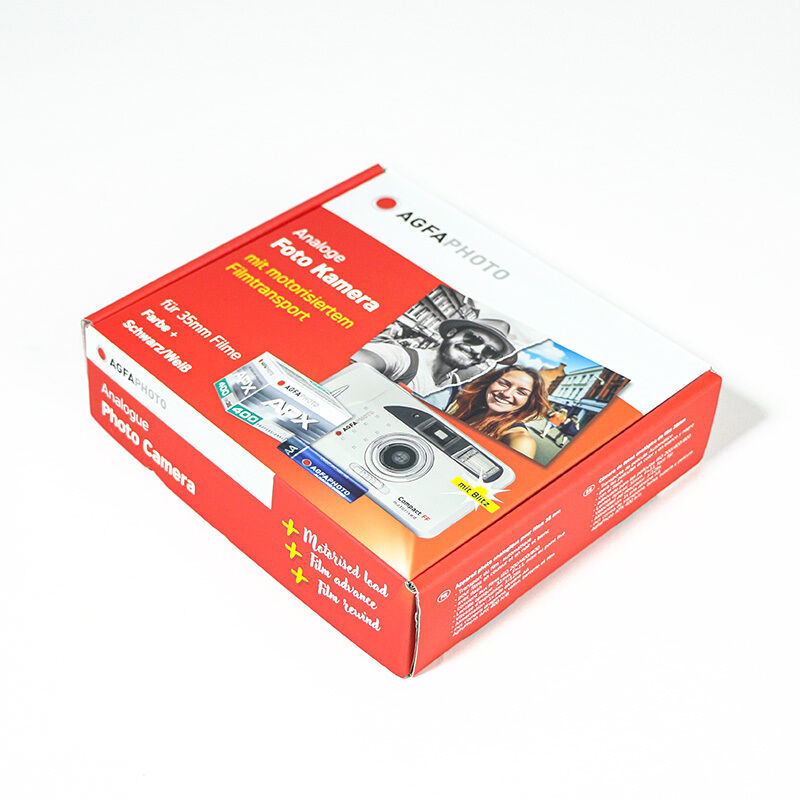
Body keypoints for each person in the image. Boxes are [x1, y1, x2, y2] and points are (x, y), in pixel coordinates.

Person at [352, 317, 516, 410]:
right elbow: (359, 359)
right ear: (452, 333)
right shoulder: (402, 359)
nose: (477, 351)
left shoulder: (451, 388)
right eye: (473, 338)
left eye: (489, 351)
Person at [446, 366, 551, 458]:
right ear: (490, 383)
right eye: (503, 384)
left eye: (521, 392)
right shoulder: (474, 411)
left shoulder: (521, 440)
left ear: (529, 401)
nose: (506, 394)